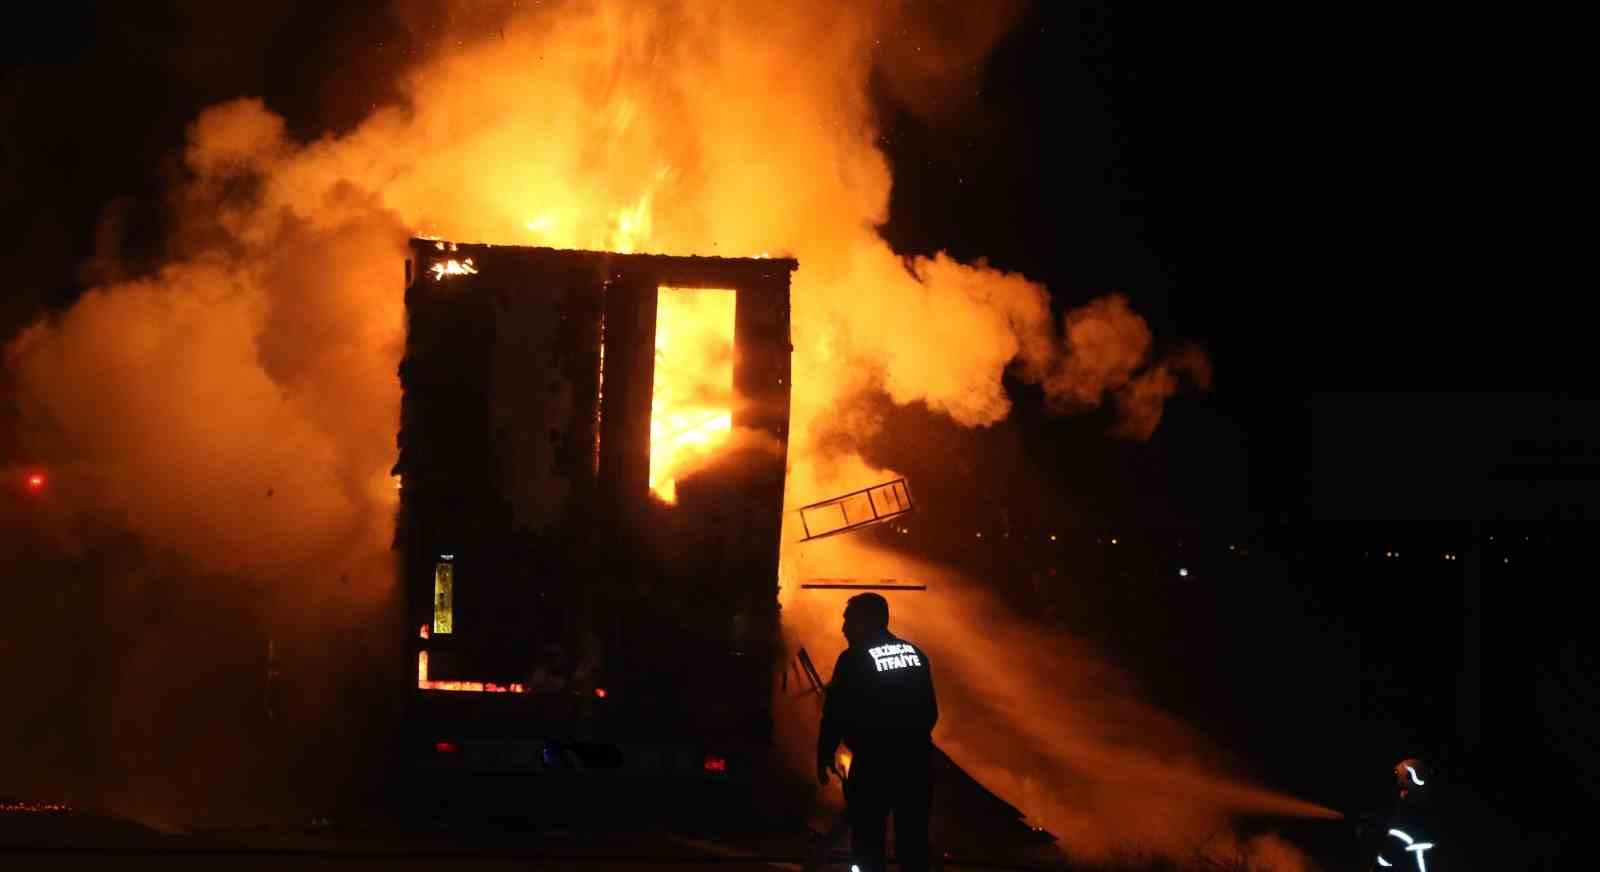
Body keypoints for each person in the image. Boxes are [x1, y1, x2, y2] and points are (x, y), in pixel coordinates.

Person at [817, 593, 938, 872]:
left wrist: (824, 753)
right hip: (917, 764)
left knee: (868, 844)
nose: (844, 628)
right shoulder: (915, 654)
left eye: (849, 620)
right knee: (914, 844)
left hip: (874, 766)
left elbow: (835, 713)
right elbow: (930, 712)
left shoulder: (854, 658)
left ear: (868, 620)